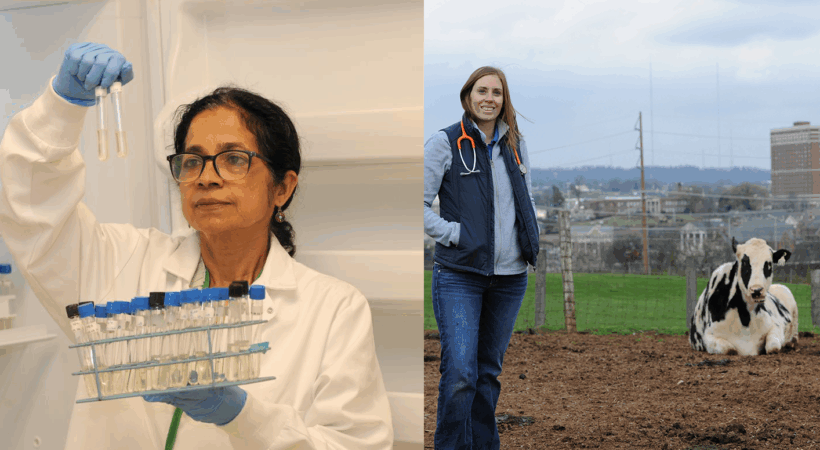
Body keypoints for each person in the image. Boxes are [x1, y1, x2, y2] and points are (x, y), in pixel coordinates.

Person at [0, 42, 393, 449]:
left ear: (282, 187)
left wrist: (244, 416)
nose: (206, 177)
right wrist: (61, 108)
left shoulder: (333, 310)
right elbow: (32, 213)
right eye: (192, 161)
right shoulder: (120, 262)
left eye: (234, 159)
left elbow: (355, 444)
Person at [423, 66, 539, 450]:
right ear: (468, 96)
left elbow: (524, 198)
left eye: (497, 92)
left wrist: (528, 237)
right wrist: (454, 234)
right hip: (460, 274)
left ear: (504, 101)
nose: (490, 98)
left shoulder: (515, 145)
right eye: (482, 90)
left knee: (488, 373)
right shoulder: (445, 142)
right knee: (460, 373)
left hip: (510, 278)